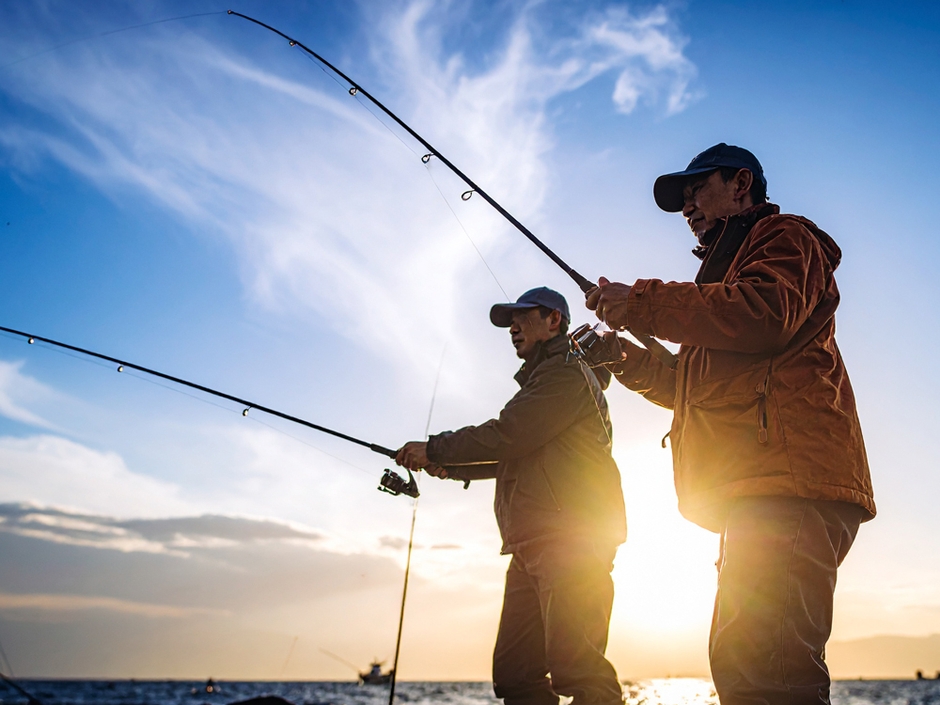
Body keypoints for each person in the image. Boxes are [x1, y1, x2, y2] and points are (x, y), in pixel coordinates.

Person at [584, 143, 875, 704]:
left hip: (790, 486)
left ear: (741, 184)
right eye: (683, 199)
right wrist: (620, 357)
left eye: (696, 189)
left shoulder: (787, 237)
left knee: (768, 670)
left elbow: (761, 313)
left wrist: (641, 303)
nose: (687, 206)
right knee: (746, 667)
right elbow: (690, 390)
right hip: (764, 490)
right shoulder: (722, 289)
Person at [396, 286, 627, 705]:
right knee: (516, 675)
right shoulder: (543, 378)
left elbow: (510, 434)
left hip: (571, 540)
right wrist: (451, 467)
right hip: (531, 545)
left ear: (553, 320)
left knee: (579, 670)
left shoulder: (565, 373)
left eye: (521, 318)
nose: (512, 328)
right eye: (509, 323)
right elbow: (519, 450)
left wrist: (436, 448)